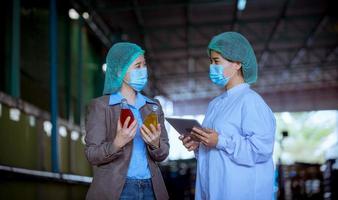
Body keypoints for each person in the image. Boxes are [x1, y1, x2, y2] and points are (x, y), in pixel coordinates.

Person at [180, 32, 276, 200]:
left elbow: (261, 150)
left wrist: (220, 141)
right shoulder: (215, 104)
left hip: (241, 192)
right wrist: (199, 144)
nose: (212, 67)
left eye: (216, 61)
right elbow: (214, 150)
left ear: (238, 63)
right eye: (210, 61)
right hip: (214, 190)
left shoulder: (250, 101)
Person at [85, 42, 169, 200]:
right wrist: (117, 143)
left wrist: (155, 143)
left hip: (151, 189)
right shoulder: (101, 106)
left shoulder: (153, 106)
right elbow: (92, 154)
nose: (143, 70)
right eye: (137, 66)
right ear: (119, 71)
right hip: (117, 190)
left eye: (144, 65)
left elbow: (163, 154)